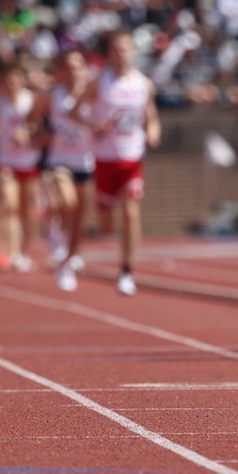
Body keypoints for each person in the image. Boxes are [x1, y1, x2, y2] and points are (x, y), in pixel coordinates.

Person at [82, 29, 161, 296]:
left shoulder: (143, 84)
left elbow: (151, 116)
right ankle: (101, 229)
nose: (121, 54)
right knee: (106, 221)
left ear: (133, 52)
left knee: (131, 212)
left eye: (125, 49)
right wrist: (94, 125)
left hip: (132, 155)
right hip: (105, 157)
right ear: (109, 53)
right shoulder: (98, 82)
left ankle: (127, 269)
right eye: (116, 49)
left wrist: (153, 132)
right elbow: (73, 111)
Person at [34, 48, 95, 292]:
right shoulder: (51, 96)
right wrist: (37, 133)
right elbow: (33, 119)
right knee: (66, 202)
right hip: (58, 161)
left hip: (85, 161)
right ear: (59, 72)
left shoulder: (92, 94)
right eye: (68, 68)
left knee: (79, 217)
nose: (73, 73)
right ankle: (56, 237)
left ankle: (67, 263)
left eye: (77, 67)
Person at [0, 61, 41, 274]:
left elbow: (41, 126)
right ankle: (8, 252)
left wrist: (28, 133)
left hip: (29, 162)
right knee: (9, 205)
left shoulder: (31, 101)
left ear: (22, 80)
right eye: (8, 79)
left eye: (16, 79)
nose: (12, 83)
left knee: (28, 211)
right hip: (6, 163)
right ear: (3, 82)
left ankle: (23, 252)